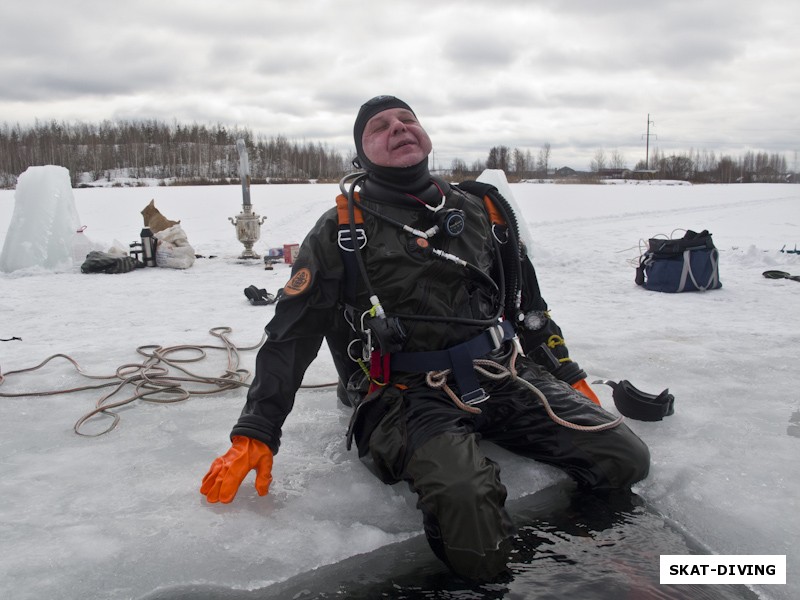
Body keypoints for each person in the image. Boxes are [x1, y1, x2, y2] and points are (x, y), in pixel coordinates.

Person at [200, 95, 650, 582]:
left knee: (623, 458)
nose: (398, 128)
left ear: (426, 135)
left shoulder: (482, 210)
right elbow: (290, 337)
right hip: (405, 396)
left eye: (407, 119)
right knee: (470, 511)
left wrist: (567, 375)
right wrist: (256, 430)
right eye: (379, 126)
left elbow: (527, 306)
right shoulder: (339, 232)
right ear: (361, 153)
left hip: (498, 372)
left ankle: (584, 566)